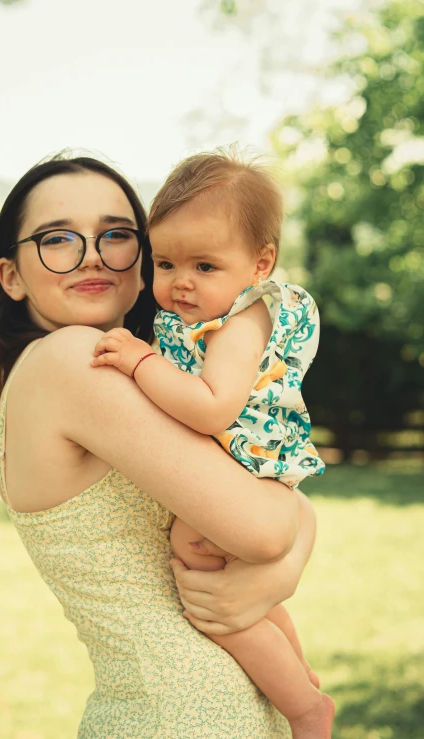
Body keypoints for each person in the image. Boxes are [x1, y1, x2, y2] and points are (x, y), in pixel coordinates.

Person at [0, 151, 319, 738]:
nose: (92, 256)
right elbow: (266, 526)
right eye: (58, 239)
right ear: (10, 275)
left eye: (116, 234)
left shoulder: (139, 368)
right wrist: (280, 562)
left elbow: (269, 507)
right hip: (182, 717)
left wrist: (278, 572)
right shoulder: (73, 360)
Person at [91, 150, 334, 738]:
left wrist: (140, 361)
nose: (180, 282)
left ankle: (303, 708)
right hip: (247, 470)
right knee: (237, 590)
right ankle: (300, 673)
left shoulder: (245, 319)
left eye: (204, 265)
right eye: (166, 261)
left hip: (249, 468)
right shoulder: (207, 312)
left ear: (260, 263)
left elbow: (210, 407)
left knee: (206, 584)